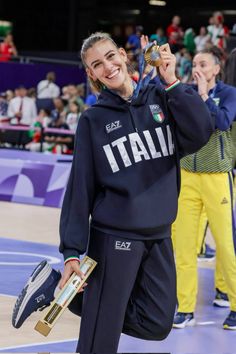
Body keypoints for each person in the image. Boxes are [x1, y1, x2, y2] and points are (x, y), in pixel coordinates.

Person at [11, 32, 214, 353]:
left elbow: (201, 133)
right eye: (97, 64)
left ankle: (55, 292)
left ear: (123, 55)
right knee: (99, 343)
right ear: (91, 74)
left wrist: (173, 82)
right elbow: (80, 188)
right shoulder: (93, 119)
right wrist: (72, 253)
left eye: (110, 56)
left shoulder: (161, 97)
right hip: (114, 237)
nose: (107, 66)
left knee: (158, 322)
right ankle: (71, 294)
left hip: (159, 235)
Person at [173, 47, 236, 329]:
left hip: (217, 177)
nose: (196, 67)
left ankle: (235, 304)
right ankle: (185, 308)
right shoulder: (185, 92)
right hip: (187, 175)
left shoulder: (229, 94)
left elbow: (222, 122)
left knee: (226, 245)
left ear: (216, 69)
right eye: (194, 62)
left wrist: (204, 95)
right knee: (184, 246)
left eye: (203, 63)